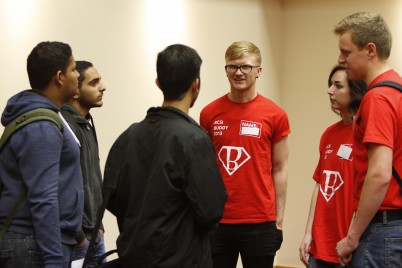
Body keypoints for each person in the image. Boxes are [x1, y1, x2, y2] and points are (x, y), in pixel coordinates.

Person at [104, 44, 227, 268]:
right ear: (196, 85)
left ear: (158, 83)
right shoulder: (194, 140)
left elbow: (111, 197)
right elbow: (211, 211)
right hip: (182, 260)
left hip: (134, 257)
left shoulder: (129, 136)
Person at [200, 40, 290, 268]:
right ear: (226, 70)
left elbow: (279, 168)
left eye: (246, 67)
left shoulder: (275, 115)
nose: (238, 72)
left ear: (259, 70)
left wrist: (278, 221)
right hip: (218, 221)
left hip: (260, 221)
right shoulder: (210, 113)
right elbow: (204, 167)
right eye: (232, 66)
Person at [0, 41, 84, 268]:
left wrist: (77, 235)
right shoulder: (41, 125)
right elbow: (43, 199)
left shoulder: (49, 116)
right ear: (59, 77)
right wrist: (54, 261)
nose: (78, 75)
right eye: (74, 69)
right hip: (32, 246)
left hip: (39, 243)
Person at [334, 12, 402, 267]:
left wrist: (352, 237)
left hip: (383, 230)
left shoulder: (378, 98)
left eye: (346, 52)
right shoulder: (398, 90)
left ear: (370, 50)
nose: (341, 60)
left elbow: (379, 174)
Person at [299, 65, 367, 268]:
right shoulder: (329, 133)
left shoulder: (365, 134)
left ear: (354, 91)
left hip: (349, 243)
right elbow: (320, 184)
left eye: (338, 86)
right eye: (330, 85)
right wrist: (308, 233)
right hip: (320, 244)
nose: (330, 91)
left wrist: (352, 237)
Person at [60, 61, 106, 267]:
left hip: (94, 234)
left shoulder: (86, 123)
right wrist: (79, 236)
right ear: (76, 91)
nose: (103, 87)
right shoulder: (65, 127)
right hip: (77, 240)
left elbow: (92, 180)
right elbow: (63, 186)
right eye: (94, 83)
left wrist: (100, 226)